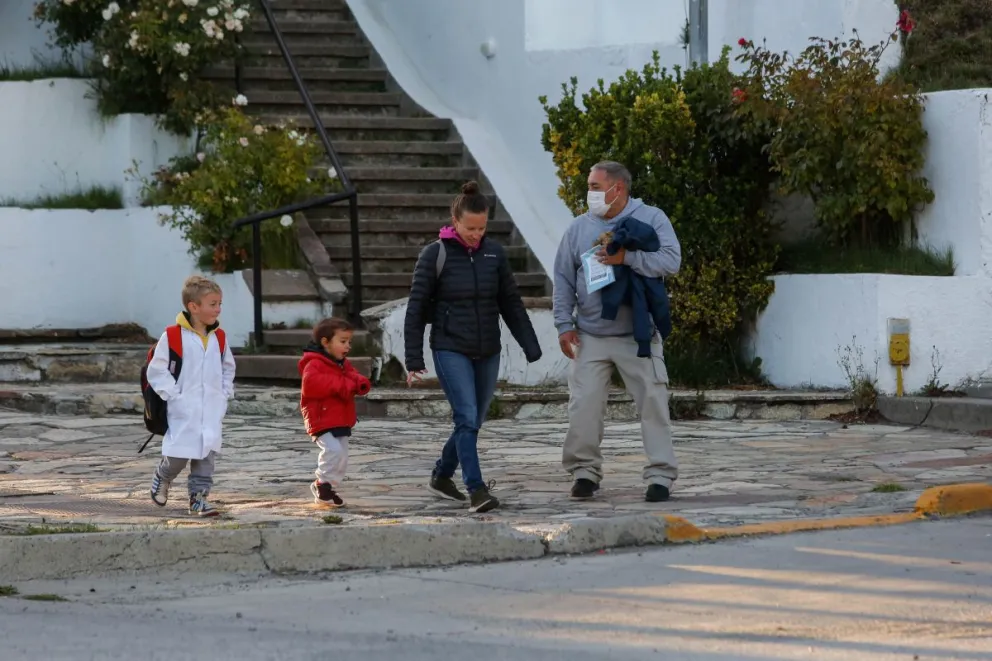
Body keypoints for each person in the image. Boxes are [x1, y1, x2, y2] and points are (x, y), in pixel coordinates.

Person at [405, 181, 542, 513]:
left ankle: (441, 475)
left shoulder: (494, 254)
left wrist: (530, 345)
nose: (476, 234)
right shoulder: (434, 254)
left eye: (482, 228)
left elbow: (510, 302)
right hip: (450, 348)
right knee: (466, 416)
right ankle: (477, 489)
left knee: (473, 421)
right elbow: (416, 306)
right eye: (470, 228)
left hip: (488, 350)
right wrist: (413, 358)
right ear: (455, 220)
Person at [552, 161, 682, 503]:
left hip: (637, 334)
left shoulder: (652, 218)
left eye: (595, 186)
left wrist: (628, 259)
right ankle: (584, 473)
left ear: (618, 189)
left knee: (653, 404)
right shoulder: (578, 228)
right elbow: (564, 277)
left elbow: (671, 261)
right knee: (583, 407)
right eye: (590, 186)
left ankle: (660, 476)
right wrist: (564, 324)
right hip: (590, 335)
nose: (590, 193)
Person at [148, 275, 236, 517]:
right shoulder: (173, 336)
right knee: (178, 454)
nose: (218, 309)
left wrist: (225, 391)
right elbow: (157, 369)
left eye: (220, 304)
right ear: (194, 307)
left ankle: (199, 499)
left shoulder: (219, 337)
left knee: (206, 457)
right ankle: (163, 476)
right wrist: (174, 395)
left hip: (211, 409)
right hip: (183, 408)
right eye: (213, 304)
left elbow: (228, 366)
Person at [298, 317, 372, 508]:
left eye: (349, 342)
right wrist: (347, 385)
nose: (347, 346)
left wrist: (359, 382)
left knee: (342, 456)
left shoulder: (341, 363)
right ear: (325, 342)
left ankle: (328, 487)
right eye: (342, 341)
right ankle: (322, 484)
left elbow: (351, 374)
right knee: (333, 450)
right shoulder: (313, 364)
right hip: (320, 418)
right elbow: (313, 385)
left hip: (340, 418)